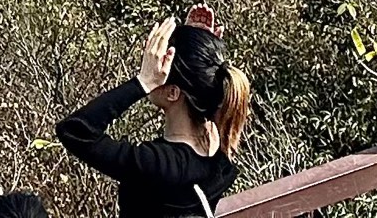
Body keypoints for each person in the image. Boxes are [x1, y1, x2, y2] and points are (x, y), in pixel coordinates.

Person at [52, 13, 253, 217]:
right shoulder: (216, 147)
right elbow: (211, 81)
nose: (151, 66)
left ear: (173, 92)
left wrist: (143, 82)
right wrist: (199, 47)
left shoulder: (157, 165)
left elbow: (74, 131)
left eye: (162, 65)